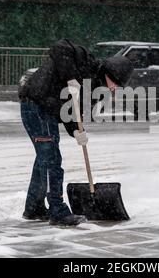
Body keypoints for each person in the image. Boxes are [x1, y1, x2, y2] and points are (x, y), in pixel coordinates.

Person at [18, 39, 133, 226]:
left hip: (48, 111)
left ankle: (34, 208)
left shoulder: (98, 89)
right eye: (117, 83)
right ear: (110, 73)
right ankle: (57, 211)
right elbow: (59, 47)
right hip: (36, 105)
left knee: (44, 160)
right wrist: (70, 76)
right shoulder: (85, 61)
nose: (115, 89)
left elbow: (73, 111)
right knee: (51, 160)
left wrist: (77, 131)